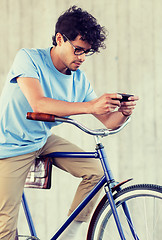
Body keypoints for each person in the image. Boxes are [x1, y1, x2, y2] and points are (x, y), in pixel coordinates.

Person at [0, 6, 138, 240]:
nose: (82, 58)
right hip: (10, 145)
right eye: (78, 50)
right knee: (5, 230)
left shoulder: (79, 80)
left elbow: (108, 122)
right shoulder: (29, 58)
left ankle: (69, 235)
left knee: (96, 174)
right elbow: (39, 104)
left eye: (87, 52)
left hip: (41, 140)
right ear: (59, 39)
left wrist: (124, 112)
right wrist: (90, 106)